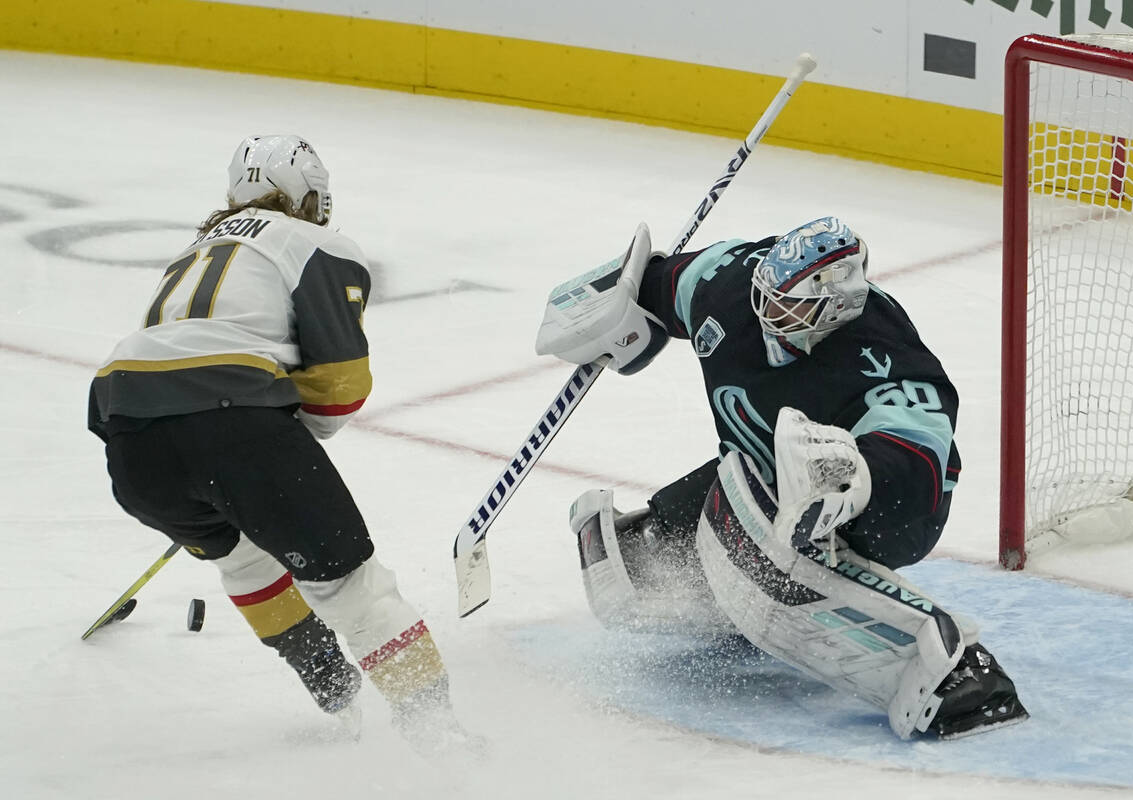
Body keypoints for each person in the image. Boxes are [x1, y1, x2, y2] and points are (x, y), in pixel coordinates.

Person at [534, 216, 1029, 740]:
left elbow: (919, 454)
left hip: (897, 506)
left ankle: (961, 671)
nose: (767, 315)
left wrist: (855, 478)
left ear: (836, 307)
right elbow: (657, 282)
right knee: (644, 568)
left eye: (787, 309)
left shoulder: (885, 349)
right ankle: (742, 601)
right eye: (766, 296)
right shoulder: (730, 283)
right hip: (766, 473)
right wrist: (614, 306)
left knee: (775, 546)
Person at [87, 134, 470, 752]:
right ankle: (439, 738)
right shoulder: (311, 241)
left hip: (126, 433)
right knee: (352, 588)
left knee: (242, 560)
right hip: (235, 425)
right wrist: (280, 446)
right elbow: (340, 383)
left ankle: (332, 688)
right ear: (305, 197)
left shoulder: (196, 248)